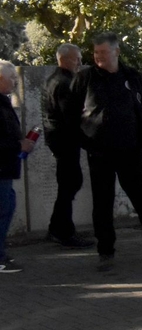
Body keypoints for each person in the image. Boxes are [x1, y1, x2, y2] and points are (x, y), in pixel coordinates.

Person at [69, 32, 142, 271]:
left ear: (117, 52)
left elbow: (141, 104)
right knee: (102, 203)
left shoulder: (132, 76)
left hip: (130, 149)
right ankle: (106, 252)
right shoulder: (85, 78)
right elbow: (71, 111)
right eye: (96, 53)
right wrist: (85, 138)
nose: (99, 57)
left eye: (103, 52)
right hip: (99, 151)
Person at [41, 43, 92, 248]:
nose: (80, 62)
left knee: (69, 184)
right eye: (76, 58)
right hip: (65, 140)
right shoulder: (64, 83)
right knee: (69, 184)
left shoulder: (55, 79)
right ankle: (63, 231)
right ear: (64, 59)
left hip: (60, 139)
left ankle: (57, 227)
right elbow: (70, 116)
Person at [0, 61, 35, 274]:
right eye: (12, 77)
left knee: (7, 208)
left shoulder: (4, 102)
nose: (15, 82)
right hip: (1, 169)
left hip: (6, 168)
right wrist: (17, 145)